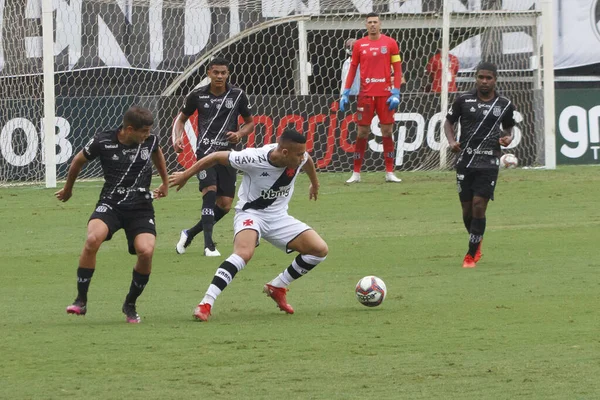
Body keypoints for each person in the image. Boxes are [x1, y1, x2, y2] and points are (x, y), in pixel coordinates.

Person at [169, 129, 328, 322]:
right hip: (251, 214)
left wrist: (315, 183)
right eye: (299, 154)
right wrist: (186, 175)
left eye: (303, 153)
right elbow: (216, 156)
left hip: (278, 217)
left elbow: (308, 161)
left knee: (319, 250)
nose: (303, 157)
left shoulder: (298, 157)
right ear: (285, 152)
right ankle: (206, 303)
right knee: (244, 253)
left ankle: (277, 286)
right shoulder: (252, 158)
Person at [56, 106, 169, 323]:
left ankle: (130, 304)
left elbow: (158, 155)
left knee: (146, 251)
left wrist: (164, 183)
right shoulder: (103, 141)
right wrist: (68, 189)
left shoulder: (150, 141)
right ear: (129, 129)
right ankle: (81, 300)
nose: (147, 135)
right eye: (143, 131)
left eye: (148, 131)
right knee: (92, 239)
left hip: (140, 207)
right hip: (111, 203)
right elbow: (78, 161)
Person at [172, 57, 254, 257]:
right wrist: (177, 137)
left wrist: (240, 134)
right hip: (205, 153)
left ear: (228, 74)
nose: (219, 76)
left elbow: (250, 123)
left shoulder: (237, 95)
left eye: (223, 73)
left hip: (227, 155)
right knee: (209, 191)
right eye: (215, 72)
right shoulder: (197, 95)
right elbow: (180, 119)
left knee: (225, 205)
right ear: (208, 73)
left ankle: (189, 233)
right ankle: (209, 245)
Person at [443, 62, 516, 268]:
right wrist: (451, 142)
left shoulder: (504, 104)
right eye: (481, 77)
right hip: (465, 161)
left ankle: (470, 255)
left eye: (488, 78)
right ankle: (477, 239)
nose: (484, 81)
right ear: (476, 78)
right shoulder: (463, 100)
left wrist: (507, 138)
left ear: (495, 79)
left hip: (489, 161)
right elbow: (448, 122)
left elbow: (508, 126)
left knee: (478, 206)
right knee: (467, 211)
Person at [339, 12, 403, 184]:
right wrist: (345, 92)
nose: (373, 25)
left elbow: (397, 69)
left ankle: (390, 172)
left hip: (385, 94)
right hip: (365, 95)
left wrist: (396, 91)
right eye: (370, 22)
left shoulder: (390, 43)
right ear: (366, 25)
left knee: (387, 131)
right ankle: (356, 173)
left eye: (375, 22)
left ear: (380, 24)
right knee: (362, 132)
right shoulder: (359, 45)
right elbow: (353, 69)